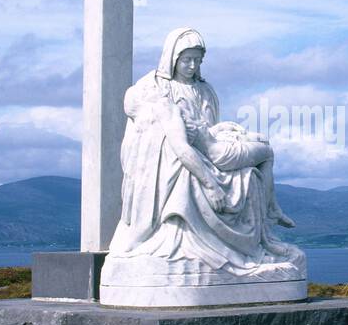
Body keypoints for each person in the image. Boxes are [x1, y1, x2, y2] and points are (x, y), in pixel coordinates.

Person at [104, 28, 304, 287]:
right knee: (263, 152)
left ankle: (266, 223)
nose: (192, 65)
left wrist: (226, 130)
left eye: (197, 60)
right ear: (172, 58)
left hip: (212, 148)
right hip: (199, 156)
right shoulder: (161, 97)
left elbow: (207, 129)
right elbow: (170, 142)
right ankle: (271, 213)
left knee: (255, 158)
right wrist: (210, 181)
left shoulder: (205, 91)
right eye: (186, 59)